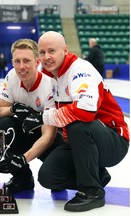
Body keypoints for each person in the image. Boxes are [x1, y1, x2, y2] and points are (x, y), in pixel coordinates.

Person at [34, 31, 129, 212]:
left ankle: (92, 190)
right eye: (42, 52)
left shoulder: (80, 69)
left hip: (114, 140)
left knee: (78, 124)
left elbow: (85, 111)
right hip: (79, 140)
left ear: (65, 50)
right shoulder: (51, 76)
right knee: (48, 177)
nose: (46, 57)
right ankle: (97, 176)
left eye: (52, 51)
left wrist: (42, 118)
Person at [0, 39, 63, 194]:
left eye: (26, 61)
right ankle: (22, 177)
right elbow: (0, 111)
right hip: (25, 131)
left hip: (49, 138)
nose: (21, 67)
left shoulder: (50, 85)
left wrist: (23, 159)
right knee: (3, 125)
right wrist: (14, 108)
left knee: (54, 180)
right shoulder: (12, 76)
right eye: (17, 61)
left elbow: (48, 136)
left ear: (38, 62)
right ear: (12, 62)